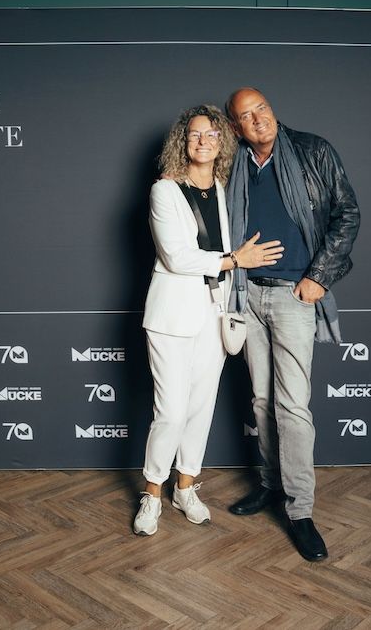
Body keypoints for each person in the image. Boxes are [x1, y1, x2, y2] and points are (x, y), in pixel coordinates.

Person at [134, 104, 285, 536]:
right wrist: (235, 259)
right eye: (195, 134)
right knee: (171, 410)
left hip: (215, 312)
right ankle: (152, 493)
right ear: (183, 142)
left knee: (201, 408)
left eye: (212, 134)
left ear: (222, 142)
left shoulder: (223, 188)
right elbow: (176, 257)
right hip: (171, 315)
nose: (203, 141)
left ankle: (185, 487)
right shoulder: (165, 190)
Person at [224, 87, 360, 561]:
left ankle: (300, 510)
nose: (258, 119)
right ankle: (271, 484)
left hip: (293, 294)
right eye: (246, 116)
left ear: (272, 109)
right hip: (247, 293)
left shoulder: (312, 150)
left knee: (292, 406)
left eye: (261, 108)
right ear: (236, 127)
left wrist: (318, 277)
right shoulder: (233, 163)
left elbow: (347, 213)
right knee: (262, 400)